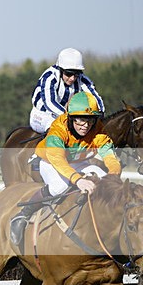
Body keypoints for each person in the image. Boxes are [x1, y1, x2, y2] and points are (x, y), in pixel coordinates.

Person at [10, 91, 121, 246]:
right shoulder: (58, 130)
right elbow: (58, 160)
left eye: (90, 120)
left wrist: (114, 175)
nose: (86, 125)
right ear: (71, 117)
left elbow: (109, 155)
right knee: (59, 187)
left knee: (106, 181)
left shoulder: (97, 129)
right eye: (81, 119)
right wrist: (78, 180)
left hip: (78, 162)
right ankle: (22, 215)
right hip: (50, 161)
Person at [29, 48, 104, 134]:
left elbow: (95, 97)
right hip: (42, 115)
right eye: (68, 73)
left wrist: (100, 112)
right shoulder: (49, 77)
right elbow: (50, 102)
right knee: (59, 129)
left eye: (76, 74)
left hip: (68, 116)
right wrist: (70, 116)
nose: (72, 78)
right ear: (60, 69)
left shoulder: (82, 79)